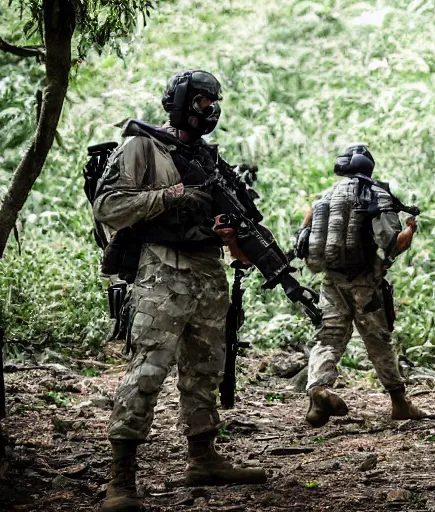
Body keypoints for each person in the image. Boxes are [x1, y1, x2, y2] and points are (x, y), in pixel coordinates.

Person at [93, 70, 267, 512]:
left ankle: (203, 457)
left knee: (206, 368)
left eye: (215, 102)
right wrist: (170, 196)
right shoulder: (142, 145)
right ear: (184, 102)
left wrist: (232, 234)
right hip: (162, 269)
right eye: (204, 102)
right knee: (149, 368)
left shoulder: (209, 158)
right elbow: (108, 205)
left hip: (209, 269)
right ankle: (121, 478)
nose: (211, 110)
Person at [294, 144, 424, 427]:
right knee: (378, 340)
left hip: (331, 281)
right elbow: (391, 244)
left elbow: (303, 240)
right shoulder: (376, 195)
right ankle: (399, 402)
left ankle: (317, 390)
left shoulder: (324, 197)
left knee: (328, 338)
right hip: (365, 283)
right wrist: (410, 229)